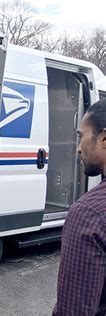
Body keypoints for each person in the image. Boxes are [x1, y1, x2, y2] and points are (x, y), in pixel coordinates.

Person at [53, 99, 106, 315]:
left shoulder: (89, 214)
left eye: (81, 136)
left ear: (104, 138)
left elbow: (73, 311)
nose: (78, 149)